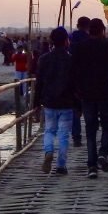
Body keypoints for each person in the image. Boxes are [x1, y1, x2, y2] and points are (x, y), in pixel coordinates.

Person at [72, 18, 108, 179]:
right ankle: (103, 152)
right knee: (107, 125)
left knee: (90, 130)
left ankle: (91, 166)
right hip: (105, 93)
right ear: (103, 30)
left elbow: (74, 71)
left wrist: (77, 92)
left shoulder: (80, 47)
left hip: (86, 94)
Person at [35, 27, 75, 175]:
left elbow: (39, 83)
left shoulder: (44, 59)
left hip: (49, 102)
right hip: (66, 102)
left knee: (49, 131)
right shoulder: (71, 60)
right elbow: (74, 83)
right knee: (64, 134)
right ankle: (61, 165)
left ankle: (48, 151)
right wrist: (78, 104)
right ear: (66, 41)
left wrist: (36, 103)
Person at [69, 16, 91, 147]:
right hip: (88, 79)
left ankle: (76, 137)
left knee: (75, 111)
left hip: (74, 78)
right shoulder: (89, 40)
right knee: (89, 109)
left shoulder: (71, 38)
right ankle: (90, 135)